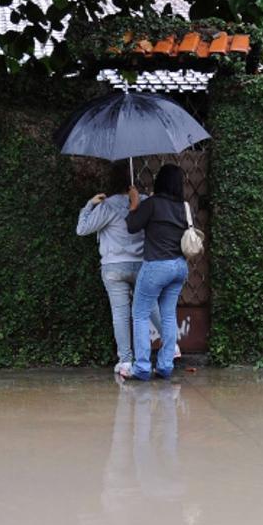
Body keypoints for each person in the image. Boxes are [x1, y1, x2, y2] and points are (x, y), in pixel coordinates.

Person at [76, 162, 160, 374]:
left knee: (121, 314)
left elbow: (82, 229)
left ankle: (125, 361)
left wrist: (90, 204)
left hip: (114, 267)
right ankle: (172, 344)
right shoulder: (145, 202)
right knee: (151, 307)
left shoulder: (107, 205)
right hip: (141, 264)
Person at [123, 163, 190, 381]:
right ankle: (165, 365)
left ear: (159, 181)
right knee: (168, 314)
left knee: (140, 314)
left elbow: (132, 226)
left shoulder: (152, 204)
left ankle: (142, 367)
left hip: (157, 265)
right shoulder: (184, 207)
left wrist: (134, 202)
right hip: (179, 267)